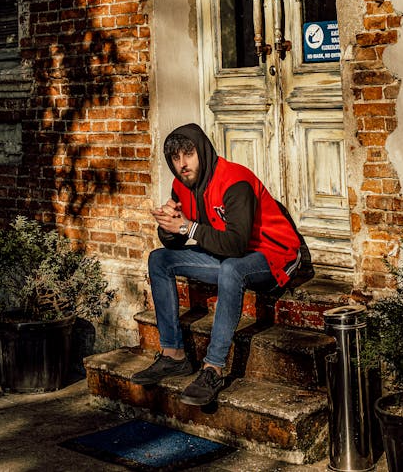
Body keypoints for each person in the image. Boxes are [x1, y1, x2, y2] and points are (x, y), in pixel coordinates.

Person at [131, 122, 313, 407]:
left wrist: (187, 228)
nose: (182, 164)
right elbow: (177, 240)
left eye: (188, 155)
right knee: (160, 259)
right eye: (175, 158)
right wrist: (169, 228)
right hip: (231, 257)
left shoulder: (235, 180)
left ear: (202, 151)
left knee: (232, 268)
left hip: (274, 256)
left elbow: (237, 245)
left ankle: (212, 369)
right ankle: (173, 355)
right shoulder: (181, 186)